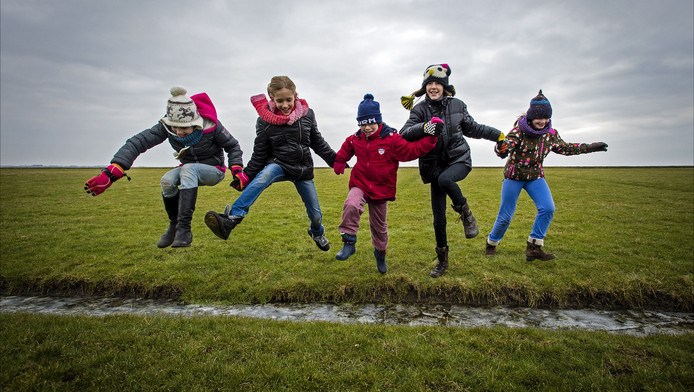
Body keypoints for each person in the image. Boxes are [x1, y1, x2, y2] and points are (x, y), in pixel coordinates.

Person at [84, 86, 244, 248]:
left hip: (214, 170)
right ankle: (174, 226)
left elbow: (233, 146)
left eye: (184, 128)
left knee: (189, 169)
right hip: (188, 170)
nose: (178, 132)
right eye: (175, 127)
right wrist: (114, 169)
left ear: (196, 123)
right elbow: (138, 142)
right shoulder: (167, 127)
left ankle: (184, 230)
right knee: (166, 180)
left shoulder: (212, 125)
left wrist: (236, 169)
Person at [204, 75, 337, 251]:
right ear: (272, 99)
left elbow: (318, 142)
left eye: (288, 99)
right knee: (263, 177)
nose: (285, 105)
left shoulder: (307, 115)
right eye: (279, 100)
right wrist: (246, 176)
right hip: (279, 164)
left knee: (316, 214)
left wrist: (337, 161)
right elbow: (260, 153)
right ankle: (232, 218)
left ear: (295, 96)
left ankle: (317, 232)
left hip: (302, 170)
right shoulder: (264, 122)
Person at [400, 64, 504, 278]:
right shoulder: (419, 110)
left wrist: (499, 135)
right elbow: (405, 134)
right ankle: (442, 261)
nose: (433, 87)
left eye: (438, 83)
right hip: (432, 166)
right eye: (429, 84)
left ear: (445, 86)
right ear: (425, 87)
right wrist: (424, 127)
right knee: (438, 218)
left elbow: (474, 128)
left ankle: (465, 213)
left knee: (446, 180)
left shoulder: (457, 105)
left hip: (458, 159)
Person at [486, 90, 608, 261]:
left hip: (535, 177)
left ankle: (534, 247)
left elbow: (567, 148)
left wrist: (592, 147)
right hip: (514, 177)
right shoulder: (518, 132)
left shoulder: (550, 134)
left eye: (546, 118)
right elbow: (506, 147)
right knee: (505, 216)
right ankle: (491, 243)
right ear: (530, 117)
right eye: (538, 118)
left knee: (548, 208)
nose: (542, 122)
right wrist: (501, 149)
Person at [333, 94, 440, 274]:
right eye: (362, 124)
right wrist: (340, 161)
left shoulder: (391, 139)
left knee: (379, 227)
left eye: (370, 123)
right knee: (351, 204)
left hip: (381, 188)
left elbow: (411, 151)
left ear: (378, 121)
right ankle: (349, 243)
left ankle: (380, 254)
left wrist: (431, 138)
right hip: (360, 183)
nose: (366, 128)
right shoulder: (356, 138)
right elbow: (347, 146)